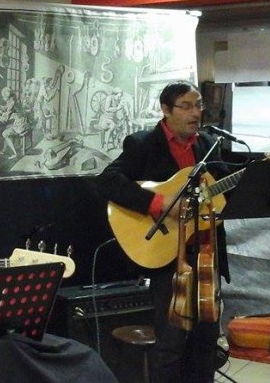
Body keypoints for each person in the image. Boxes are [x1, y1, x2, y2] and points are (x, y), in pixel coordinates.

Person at [96, 82, 231, 383]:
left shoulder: (208, 143)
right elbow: (107, 181)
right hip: (168, 255)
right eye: (186, 106)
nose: (195, 113)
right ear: (166, 110)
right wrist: (160, 204)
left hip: (206, 254)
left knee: (206, 342)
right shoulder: (143, 144)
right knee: (171, 343)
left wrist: (260, 174)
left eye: (199, 105)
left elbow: (225, 189)